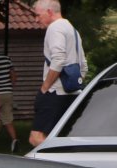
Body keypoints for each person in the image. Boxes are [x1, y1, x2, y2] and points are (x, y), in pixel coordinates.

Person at [30, 0, 86, 147]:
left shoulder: (54, 28)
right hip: (73, 92)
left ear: (49, 11)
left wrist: (45, 87)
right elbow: (83, 65)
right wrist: (74, 83)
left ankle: (59, 164)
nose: (37, 20)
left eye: (38, 15)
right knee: (60, 137)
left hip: (55, 93)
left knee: (36, 138)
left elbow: (58, 59)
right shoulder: (72, 29)